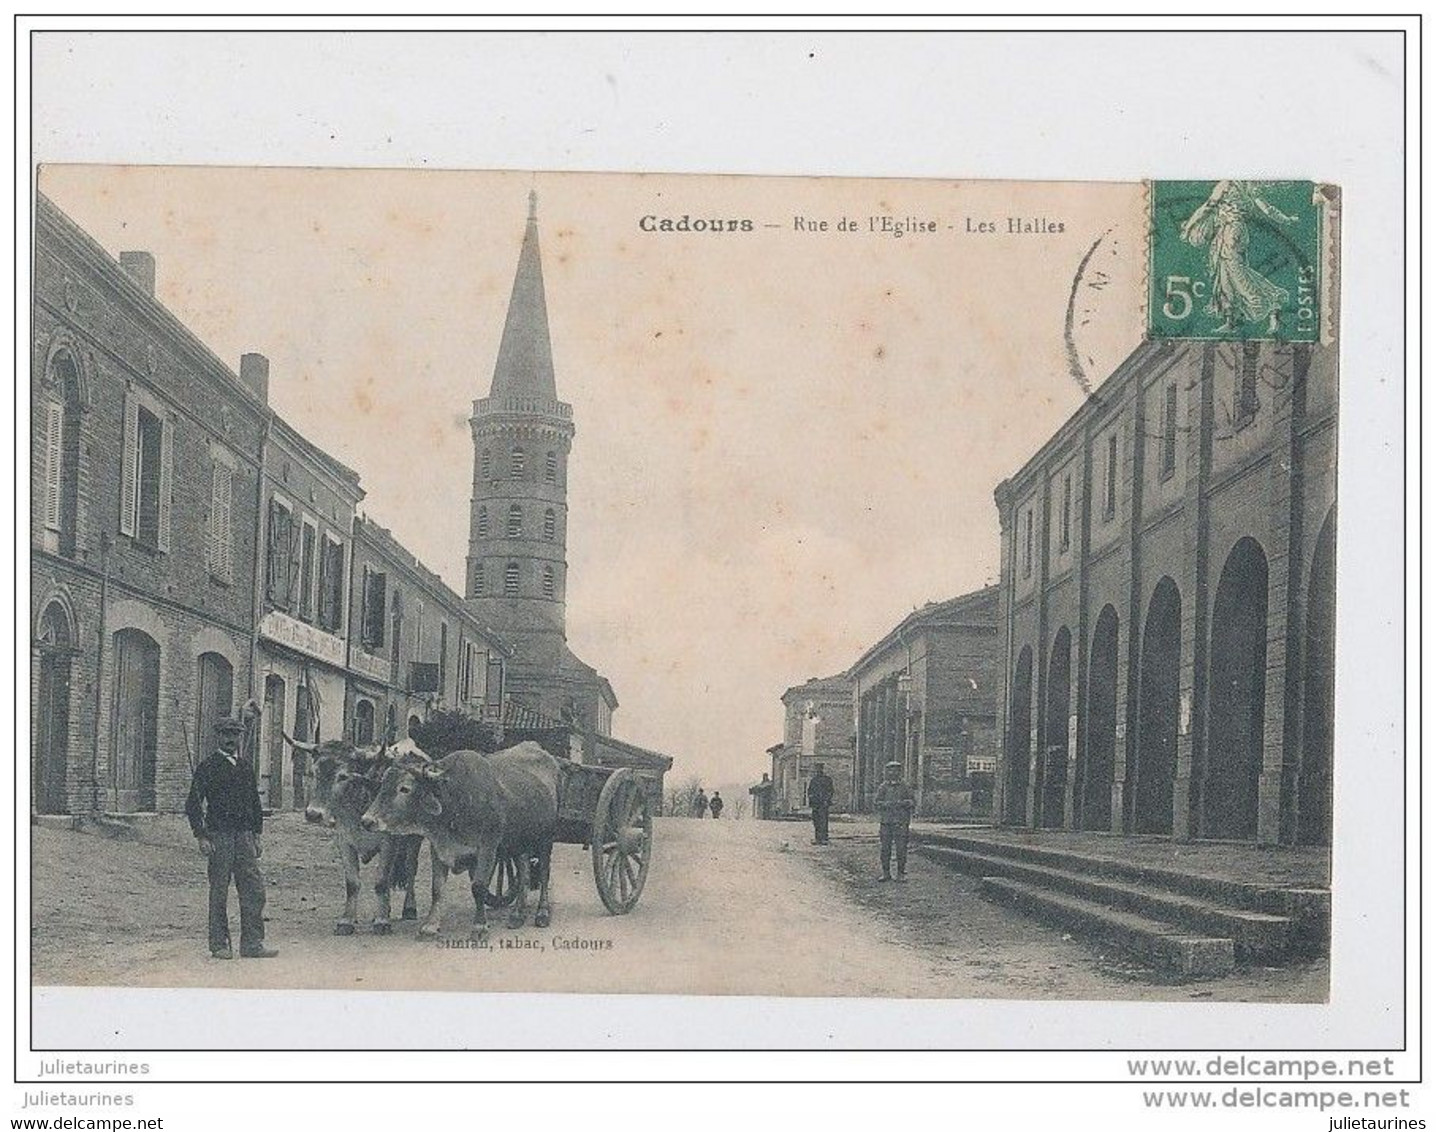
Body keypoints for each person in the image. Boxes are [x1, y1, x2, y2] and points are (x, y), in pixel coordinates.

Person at [184, 717, 277, 959]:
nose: (230, 739)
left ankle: (252, 944)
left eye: (235, 734)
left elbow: (255, 805)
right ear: (218, 736)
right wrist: (201, 836)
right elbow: (193, 805)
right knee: (219, 892)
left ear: (240, 737)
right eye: (226, 734)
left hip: (245, 838)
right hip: (219, 837)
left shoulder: (245, 767)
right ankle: (219, 944)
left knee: (254, 890)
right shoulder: (208, 767)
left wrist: (257, 834)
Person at [873, 760, 915, 881]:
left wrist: (902, 803)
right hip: (886, 822)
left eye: (896, 770)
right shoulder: (883, 787)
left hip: (901, 822)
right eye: (890, 770)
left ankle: (900, 873)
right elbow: (876, 803)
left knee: (901, 848)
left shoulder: (905, 787)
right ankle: (886, 873)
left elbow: (912, 802)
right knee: (885, 849)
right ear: (887, 772)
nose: (893, 772)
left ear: (899, 772)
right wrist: (886, 804)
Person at [806, 762, 835, 845]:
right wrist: (811, 800)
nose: (818, 771)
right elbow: (810, 791)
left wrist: (827, 800)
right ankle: (818, 838)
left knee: (823, 821)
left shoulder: (827, 779)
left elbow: (830, 791)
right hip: (816, 804)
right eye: (817, 769)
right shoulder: (814, 780)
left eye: (819, 769)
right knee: (816, 821)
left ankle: (824, 838)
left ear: (822, 770)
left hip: (823, 803)